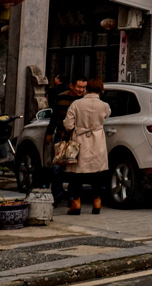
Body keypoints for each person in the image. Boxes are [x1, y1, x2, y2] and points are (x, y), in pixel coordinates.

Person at [63, 78, 111, 215]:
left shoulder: (76, 104)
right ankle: (97, 202)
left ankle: (76, 204)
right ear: (101, 90)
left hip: (79, 140)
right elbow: (106, 116)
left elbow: (68, 124)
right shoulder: (104, 105)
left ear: (86, 89)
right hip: (98, 141)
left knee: (76, 174)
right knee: (97, 173)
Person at [45, 76, 87, 204]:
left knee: (74, 170)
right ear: (72, 86)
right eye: (79, 87)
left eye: (84, 87)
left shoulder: (84, 100)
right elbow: (54, 116)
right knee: (57, 168)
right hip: (63, 136)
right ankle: (57, 195)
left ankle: (72, 196)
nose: (81, 90)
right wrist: (49, 132)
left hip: (78, 138)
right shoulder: (61, 97)